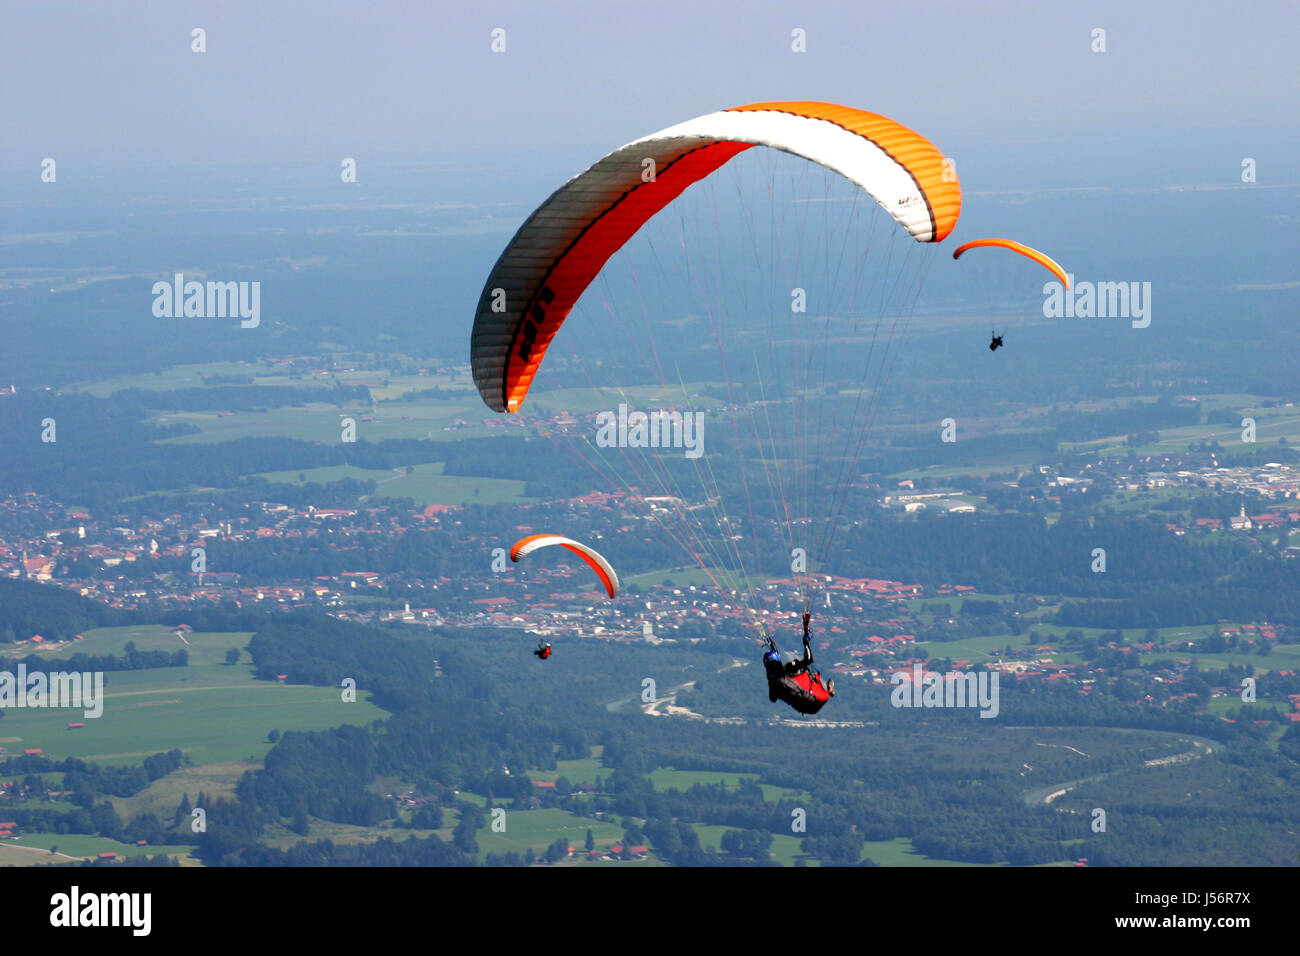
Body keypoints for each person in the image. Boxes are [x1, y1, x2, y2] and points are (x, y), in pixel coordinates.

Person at [762, 612, 835, 715]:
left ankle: (828, 689)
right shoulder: (786, 670)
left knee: (808, 677)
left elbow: (772, 698)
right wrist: (806, 642)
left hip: (804, 707)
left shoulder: (773, 682)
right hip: (815, 700)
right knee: (811, 675)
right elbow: (808, 659)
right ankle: (828, 689)